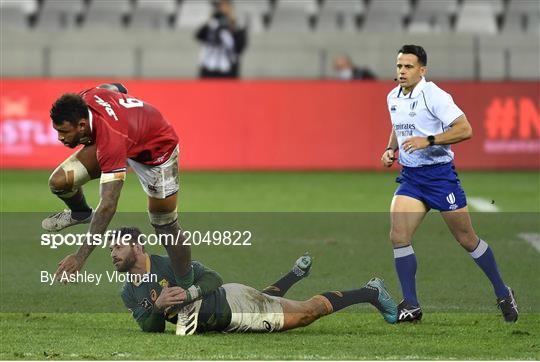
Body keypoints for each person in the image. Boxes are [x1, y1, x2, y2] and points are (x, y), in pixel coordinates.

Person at [381, 44, 518, 323]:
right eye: (399, 66)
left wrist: (428, 140)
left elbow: (465, 129)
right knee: (398, 235)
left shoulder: (435, 96)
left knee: (467, 239)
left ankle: (503, 292)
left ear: (422, 70)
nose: (402, 71)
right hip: (412, 178)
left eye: (408, 66)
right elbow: (399, 124)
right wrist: (390, 149)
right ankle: (411, 305)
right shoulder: (393, 96)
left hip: (440, 177)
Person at [110, 226, 398, 335]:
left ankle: (370, 292)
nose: (113, 253)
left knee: (306, 314)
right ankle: (294, 274)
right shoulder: (128, 292)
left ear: (138, 247)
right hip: (225, 320)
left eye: (118, 247)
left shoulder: (170, 264)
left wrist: (190, 294)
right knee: (268, 300)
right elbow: (151, 328)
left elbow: (213, 277)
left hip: (235, 306)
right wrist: (158, 307)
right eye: (110, 249)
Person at [44, 84, 193, 290]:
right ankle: (80, 213)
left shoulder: (110, 139)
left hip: (157, 155)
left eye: (63, 132)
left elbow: (108, 205)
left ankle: (187, 289)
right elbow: (113, 87)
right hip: (126, 136)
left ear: (81, 125)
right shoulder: (86, 98)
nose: (60, 137)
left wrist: (80, 257)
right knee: (59, 183)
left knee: (165, 225)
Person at [195, 0, 248, 78]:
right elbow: (199, 36)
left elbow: (240, 48)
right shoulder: (212, 24)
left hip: (228, 71)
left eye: (225, 6)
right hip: (209, 69)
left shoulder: (237, 27)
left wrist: (232, 26)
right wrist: (210, 21)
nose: (223, 10)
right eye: (220, 7)